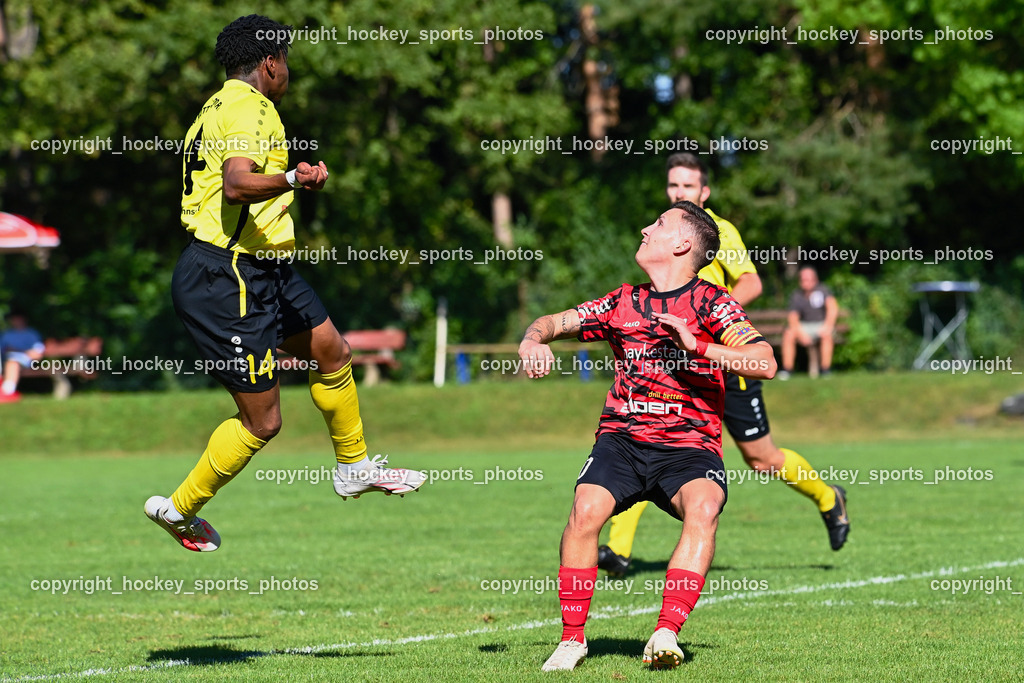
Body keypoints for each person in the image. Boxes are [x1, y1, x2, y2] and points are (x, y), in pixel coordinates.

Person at [145, 14, 425, 553]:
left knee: (332, 350)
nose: (288, 71)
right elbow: (236, 186)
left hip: (264, 266)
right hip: (227, 277)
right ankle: (179, 509)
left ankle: (353, 466)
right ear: (270, 63)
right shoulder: (253, 108)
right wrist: (296, 177)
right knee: (263, 421)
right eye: (287, 61)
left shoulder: (215, 104)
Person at [523, 201, 776, 671]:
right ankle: (573, 639)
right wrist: (532, 341)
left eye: (658, 224)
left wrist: (695, 344)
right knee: (585, 509)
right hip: (622, 441)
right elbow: (555, 322)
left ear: (682, 244)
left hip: (688, 447)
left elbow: (765, 362)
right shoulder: (623, 301)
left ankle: (665, 632)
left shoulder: (712, 302)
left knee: (704, 507)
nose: (645, 227)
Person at [597, 154, 848, 576]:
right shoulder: (665, 231)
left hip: (724, 361)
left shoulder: (719, 231)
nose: (679, 193)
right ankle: (617, 550)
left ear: (705, 192)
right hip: (678, 361)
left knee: (761, 459)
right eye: (673, 186)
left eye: (688, 187)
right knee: (648, 433)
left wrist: (714, 320)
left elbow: (751, 282)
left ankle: (827, 498)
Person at [780, 266, 838, 379]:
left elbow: (832, 308)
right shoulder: (796, 295)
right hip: (804, 326)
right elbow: (793, 318)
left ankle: (825, 370)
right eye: (802, 279)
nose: (805, 282)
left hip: (821, 324)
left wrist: (828, 326)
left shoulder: (823, 290)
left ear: (815, 279)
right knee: (788, 334)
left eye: (808, 279)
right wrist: (801, 334)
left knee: (827, 335)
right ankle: (787, 369)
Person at [0, 311, 46, 403]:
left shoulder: (31, 334)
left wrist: (18, 351)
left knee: (12, 363)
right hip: (6, 359)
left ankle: (7, 392)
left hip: (25, 360)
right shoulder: (7, 334)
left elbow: (37, 353)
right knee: (10, 362)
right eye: (14, 319)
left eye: (18, 319)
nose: (16, 321)